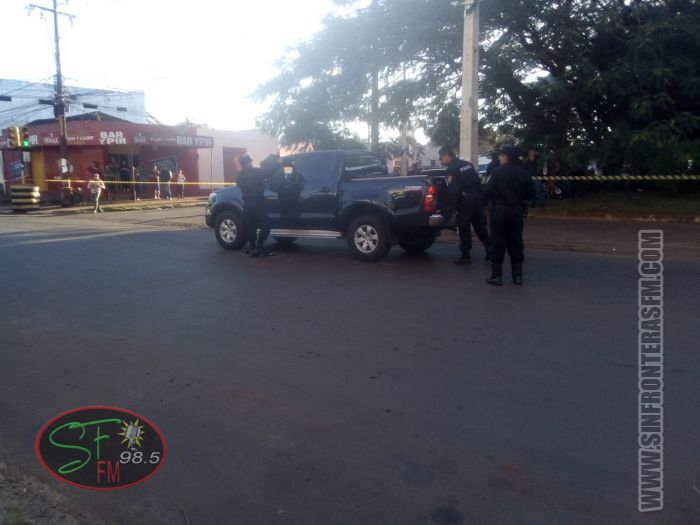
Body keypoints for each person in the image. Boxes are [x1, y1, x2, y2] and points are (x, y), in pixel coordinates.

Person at [483, 145, 535, 286]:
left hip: (499, 212)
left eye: (501, 156)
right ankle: (517, 276)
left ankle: (497, 276)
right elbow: (532, 193)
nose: (500, 158)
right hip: (516, 212)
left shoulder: (496, 172)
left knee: (497, 241)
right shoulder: (524, 173)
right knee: (516, 241)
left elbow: (486, 191)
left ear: (505, 157)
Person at [439, 146, 491, 265]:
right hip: (476, 198)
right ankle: (490, 249)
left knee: (464, 227)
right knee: (479, 225)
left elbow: (453, 190)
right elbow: (478, 182)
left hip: (465, 201)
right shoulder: (468, 164)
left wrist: (449, 210)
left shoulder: (451, 168)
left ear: (447, 155)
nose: (441, 160)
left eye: (442, 157)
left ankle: (465, 255)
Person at [237, 154, 271, 257]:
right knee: (266, 225)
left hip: (247, 204)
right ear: (247, 163)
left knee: (251, 227)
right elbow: (268, 172)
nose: (251, 163)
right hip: (258, 203)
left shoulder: (239, 175)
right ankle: (259, 246)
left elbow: (239, 185)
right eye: (250, 162)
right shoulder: (256, 172)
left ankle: (252, 248)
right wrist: (278, 162)